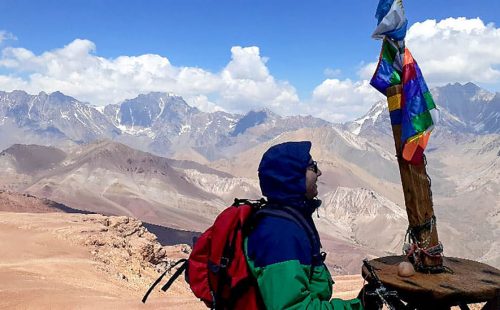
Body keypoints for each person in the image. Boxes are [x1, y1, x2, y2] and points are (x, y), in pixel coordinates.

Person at [244, 141, 363, 309]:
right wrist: (357, 307)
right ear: (292, 176)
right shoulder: (280, 235)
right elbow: (294, 307)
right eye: (312, 167)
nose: (319, 172)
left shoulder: (286, 219)